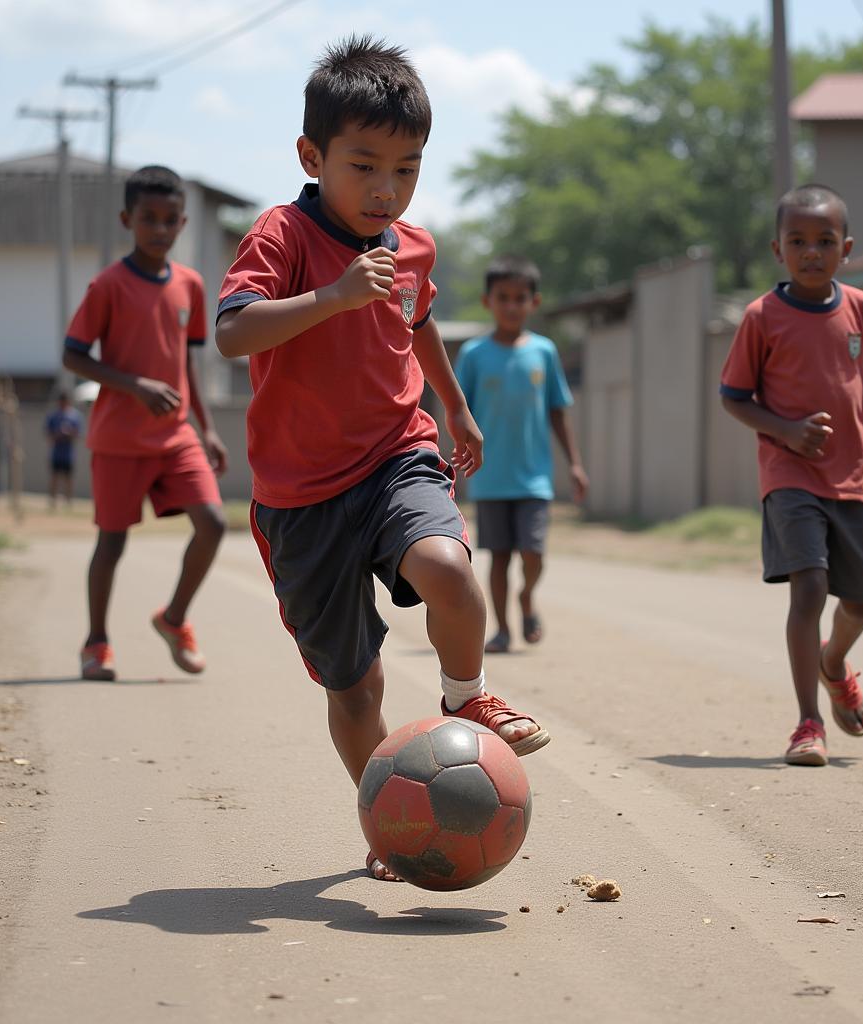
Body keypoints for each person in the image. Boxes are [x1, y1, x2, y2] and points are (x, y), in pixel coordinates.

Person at [215, 36, 550, 881]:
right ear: (311, 155)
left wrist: (457, 406)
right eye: (365, 166)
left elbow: (419, 317)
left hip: (398, 453)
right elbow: (230, 331)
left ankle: (463, 693)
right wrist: (329, 295)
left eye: (406, 169)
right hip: (300, 498)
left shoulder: (412, 245)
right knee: (355, 688)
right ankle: (387, 814)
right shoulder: (282, 233)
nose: (386, 189)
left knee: (447, 565)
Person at [720, 183, 863, 767]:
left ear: (845, 248)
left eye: (824, 241)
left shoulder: (862, 309)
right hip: (790, 473)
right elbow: (734, 395)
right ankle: (808, 722)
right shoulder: (762, 316)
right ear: (778, 249)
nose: (811, 252)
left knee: (862, 600)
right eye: (798, 241)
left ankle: (834, 663)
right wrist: (784, 430)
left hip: (855, 476)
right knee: (810, 587)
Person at [63, 165, 228, 683]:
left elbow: (189, 364)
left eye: (170, 220)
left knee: (213, 523)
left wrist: (206, 429)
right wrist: (134, 385)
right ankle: (96, 643)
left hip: (176, 434)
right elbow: (73, 356)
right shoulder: (108, 284)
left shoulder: (191, 285)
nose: (159, 229)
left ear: (182, 224)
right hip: (118, 438)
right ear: (127, 220)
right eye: (148, 219)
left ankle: (174, 619)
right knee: (111, 543)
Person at [454, 256, 588, 653]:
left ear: (534, 302)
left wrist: (576, 464)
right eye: (503, 297)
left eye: (520, 298)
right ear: (487, 301)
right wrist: (455, 457)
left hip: (534, 477)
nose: (511, 305)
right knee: (498, 557)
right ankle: (502, 630)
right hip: (490, 476)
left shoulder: (544, 352)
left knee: (533, 553)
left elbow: (558, 410)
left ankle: (527, 596)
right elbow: (459, 411)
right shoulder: (475, 355)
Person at [44, 391, 83, 508]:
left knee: (68, 479)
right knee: (54, 477)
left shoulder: (75, 416)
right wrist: (58, 434)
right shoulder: (53, 416)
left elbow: (79, 435)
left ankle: (69, 501)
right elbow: (48, 435)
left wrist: (69, 433)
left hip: (68, 453)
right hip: (56, 453)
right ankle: (52, 501)